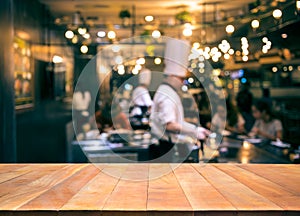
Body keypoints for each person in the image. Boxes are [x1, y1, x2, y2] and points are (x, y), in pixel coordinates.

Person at [150, 38, 210, 162]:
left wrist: (195, 129)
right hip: (164, 148)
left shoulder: (167, 91)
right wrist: (193, 131)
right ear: (172, 76)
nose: (182, 83)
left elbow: (176, 121)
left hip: (165, 146)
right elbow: (170, 125)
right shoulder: (167, 94)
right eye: (181, 79)